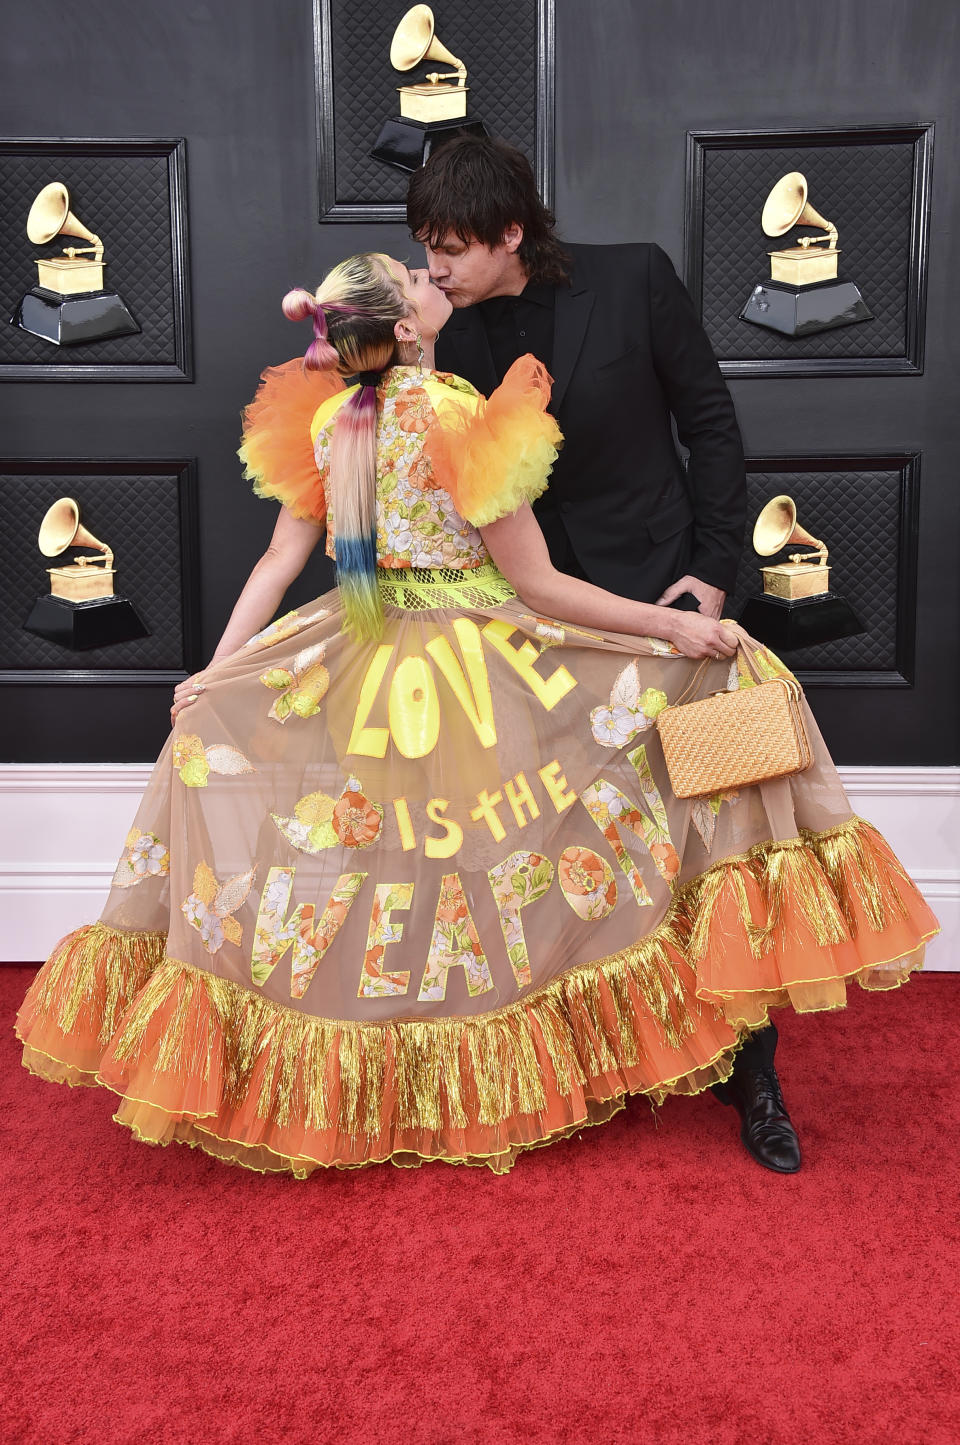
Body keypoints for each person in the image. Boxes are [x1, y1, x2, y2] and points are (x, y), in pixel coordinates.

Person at [16, 252, 936, 1179]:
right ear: (406, 327)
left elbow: (273, 568)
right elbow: (537, 585)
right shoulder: (464, 416)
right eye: (416, 279)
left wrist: (215, 674)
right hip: (482, 661)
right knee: (513, 844)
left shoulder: (331, 420)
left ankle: (398, 1077)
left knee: (399, 866)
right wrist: (671, 629)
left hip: (359, 660)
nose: (433, 279)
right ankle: (515, 1065)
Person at [406, 134, 792, 1170]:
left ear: (511, 234)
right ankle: (610, 1049)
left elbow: (711, 425)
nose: (433, 268)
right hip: (538, 627)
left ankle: (754, 1065)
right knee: (571, 844)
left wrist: (711, 573)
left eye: (450, 248)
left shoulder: (636, 278)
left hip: (672, 594)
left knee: (719, 836)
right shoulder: (447, 341)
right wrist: (427, 346)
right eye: (424, 249)